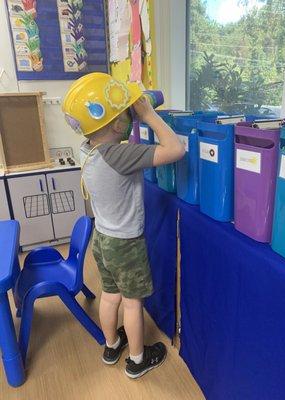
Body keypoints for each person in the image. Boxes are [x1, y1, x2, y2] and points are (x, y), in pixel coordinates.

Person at [63, 73, 185, 379]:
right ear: (118, 123)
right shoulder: (121, 154)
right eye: (126, 113)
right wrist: (148, 114)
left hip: (102, 238)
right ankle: (136, 360)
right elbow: (175, 150)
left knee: (110, 295)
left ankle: (111, 345)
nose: (130, 115)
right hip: (125, 244)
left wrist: (128, 113)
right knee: (132, 305)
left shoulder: (87, 147)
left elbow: (105, 133)